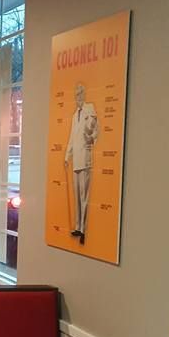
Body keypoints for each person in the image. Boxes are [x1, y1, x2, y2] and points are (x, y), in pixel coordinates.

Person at [64, 83, 99, 243]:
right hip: (76, 159)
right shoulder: (73, 115)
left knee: (84, 196)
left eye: (80, 94)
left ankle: (84, 229)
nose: (78, 97)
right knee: (77, 195)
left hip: (85, 159)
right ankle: (78, 226)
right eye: (76, 94)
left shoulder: (90, 109)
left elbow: (95, 130)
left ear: (84, 95)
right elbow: (71, 137)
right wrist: (67, 156)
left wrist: (91, 135)